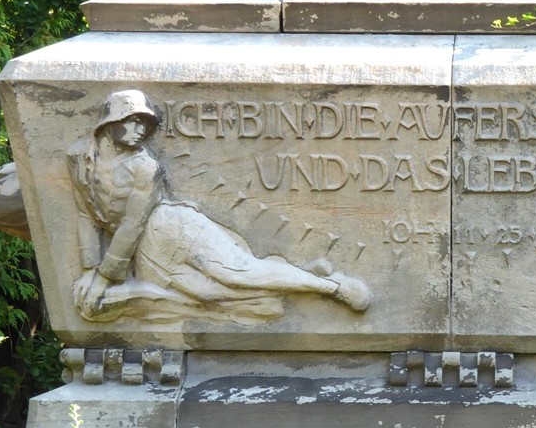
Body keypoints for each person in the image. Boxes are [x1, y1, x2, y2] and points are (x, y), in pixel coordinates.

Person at [68, 89, 370, 323]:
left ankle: (330, 286)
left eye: (144, 124)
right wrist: (88, 270)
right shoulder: (79, 157)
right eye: (133, 121)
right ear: (110, 123)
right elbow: (85, 213)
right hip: (144, 248)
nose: (141, 130)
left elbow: (133, 223)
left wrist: (103, 279)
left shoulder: (145, 167)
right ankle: (292, 273)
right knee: (207, 294)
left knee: (237, 274)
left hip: (171, 229)